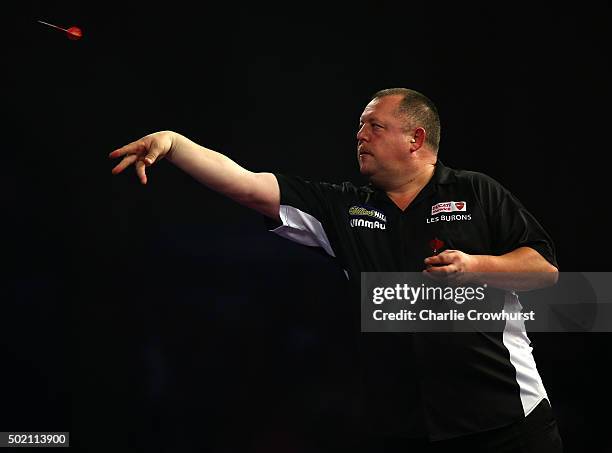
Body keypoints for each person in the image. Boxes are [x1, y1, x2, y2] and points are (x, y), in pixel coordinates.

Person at [109, 88, 563, 452]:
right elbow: (248, 185)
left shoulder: (475, 192)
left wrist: (475, 266)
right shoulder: (342, 208)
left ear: (416, 139)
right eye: (359, 127)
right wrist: (175, 145)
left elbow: (544, 271)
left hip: (509, 423)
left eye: (374, 126)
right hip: (406, 430)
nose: (360, 136)